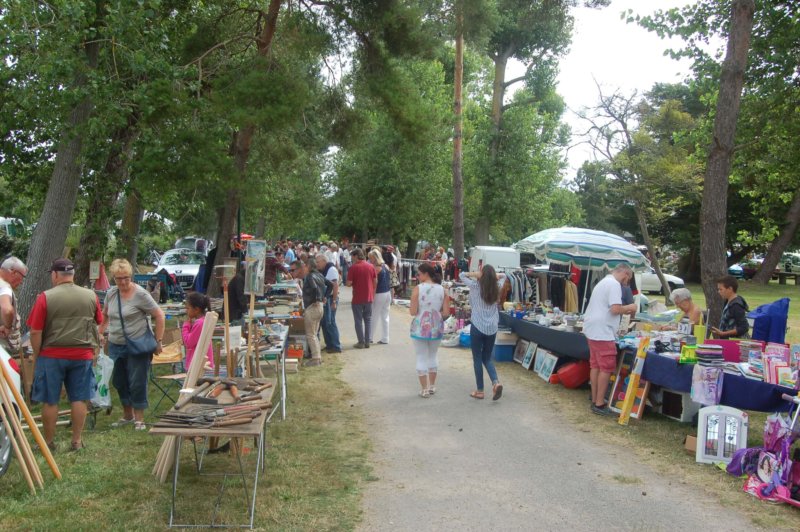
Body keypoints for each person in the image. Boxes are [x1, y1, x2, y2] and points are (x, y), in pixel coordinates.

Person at [27, 258, 103, 451]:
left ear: (54, 275)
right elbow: (98, 322)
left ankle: (48, 442)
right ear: (72, 275)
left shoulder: (45, 297)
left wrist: (38, 355)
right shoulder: (91, 295)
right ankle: (76, 441)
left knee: (50, 400)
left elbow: (35, 331)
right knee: (79, 398)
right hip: (82, 354)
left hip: (51, 355)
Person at [100, 258, 165, 431]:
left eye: (126, 277)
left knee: (137, 381)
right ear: (113, 278)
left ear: (131, 276)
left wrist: (158, 341)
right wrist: (100, 332)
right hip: (115, 343)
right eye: (118, 278)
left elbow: (159, 315)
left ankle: (139, 419)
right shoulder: (111, 294)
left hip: (138, 344)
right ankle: (127, 415)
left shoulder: (141, 294)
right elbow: (105, 315)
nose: (122, 282)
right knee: (119, 381)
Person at [583, 263, 637, 416]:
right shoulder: (614, 285)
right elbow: (615, 309)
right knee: (606, 367)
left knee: (595, 365)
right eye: (629, 278)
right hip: (603, 331)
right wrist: (630, 307)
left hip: (592, 329)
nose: (628, 282)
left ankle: (595, 399)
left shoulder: (603, 282)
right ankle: (599, 403)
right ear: (625, 273)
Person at [460, 265, 506, 400]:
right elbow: (505, 276)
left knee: (477, 358)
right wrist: (494, 275)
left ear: (481, 275)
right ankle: (496, 382)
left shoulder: (474, 286)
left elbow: (462, 275)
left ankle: (480, 390)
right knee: (487, 357)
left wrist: (476, 274)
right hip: (492, 328)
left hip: (477, 326)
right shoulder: (497, 286)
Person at [409, 263, 450, 398]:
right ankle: (432, 386)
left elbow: (412, 311)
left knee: (421, 356)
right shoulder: (442, 290)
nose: (417, 276)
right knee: (433, 355)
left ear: (426, 274)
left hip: (421, 325)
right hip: (436, 325)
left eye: (419, 274)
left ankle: (424, 389)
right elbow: (446, 312)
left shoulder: (418, 289)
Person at [290, 259, 326, 366]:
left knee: (311, 334)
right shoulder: (319, 275)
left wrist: (316, 299)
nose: (304, 268)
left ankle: (315, 358)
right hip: (319, 307)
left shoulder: (310, 276)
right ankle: (318, 357)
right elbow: (328, 284)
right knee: (314, 334)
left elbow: (315, 288)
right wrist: (323, 297)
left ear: (308, 266)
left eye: (305, 266)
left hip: (313, 307)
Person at [347, 248, 377, 349]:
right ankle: (367, 341)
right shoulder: (371, 266)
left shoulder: (353, 268)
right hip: (368, 297)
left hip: (357, 298)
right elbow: (375, 281)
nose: (351, 258)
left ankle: (361, 342)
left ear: (356, 256)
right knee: (368, 320)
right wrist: (372, 292)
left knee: (358, 320)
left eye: (352, 256)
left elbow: (348, 283)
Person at [315, 253, 342, 353]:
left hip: (331, 298)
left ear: (324, 261)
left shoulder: (331, 269)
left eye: (318, 262)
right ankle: (329, 345)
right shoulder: (325, 269)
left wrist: (334, 301)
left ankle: (336, 346)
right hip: (327, 298)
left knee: (330, 322)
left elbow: (335, 286)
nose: (317, 264)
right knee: (325, 323)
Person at [0, 256, 27, 354]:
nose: (21, 282)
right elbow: (7, 310)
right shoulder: (4, 287)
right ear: (13, 272)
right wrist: (7, 327)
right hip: (3, 347)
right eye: (22, 277)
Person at [182, 292, 214, 370]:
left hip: (199, 365)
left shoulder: (199, 323)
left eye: (188, 308)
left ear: (196, 309)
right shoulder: (204, 320)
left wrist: (186, 325)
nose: (186, 311)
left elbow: (188, 342)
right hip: (202, 362)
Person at [368, 248, 392, 344]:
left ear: (374, 258)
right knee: (385, 316)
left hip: (379, 293)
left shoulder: (375, 268)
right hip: (387, 292)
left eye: (371, 258)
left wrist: (372, 297)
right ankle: (385, 338)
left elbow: (375, 284)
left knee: (374, 316)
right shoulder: (385, 266)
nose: (369, 259)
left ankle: (370, 337)